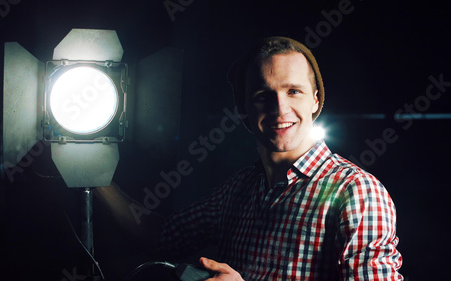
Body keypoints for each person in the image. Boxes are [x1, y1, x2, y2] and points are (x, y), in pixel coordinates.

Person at [156, 37, 404, 280]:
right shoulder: (237, 190)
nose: (280, 108)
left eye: (293, 91)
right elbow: (162, 237)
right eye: (263, 95)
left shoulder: (356, 192)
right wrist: (113, 179)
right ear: (244, 108)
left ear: (315, 99)